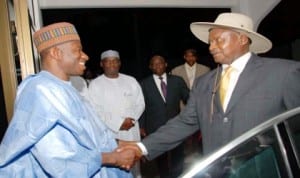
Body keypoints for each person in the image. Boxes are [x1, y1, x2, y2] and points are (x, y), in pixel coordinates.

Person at [119, 12, 300, 174]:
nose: (211, 47)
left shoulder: (283, 73)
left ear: (242, 39)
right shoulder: (205, 82)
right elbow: (184, 123)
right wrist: (142, 147)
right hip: (218, 171)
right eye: (210, 42)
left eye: (219, 40)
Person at [0, 22, 136, 177]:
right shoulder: (40, 91)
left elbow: (86, 135)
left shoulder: (66, 88)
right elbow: (56, 160)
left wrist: (116, 144)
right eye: (78, 50)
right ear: (56, 53)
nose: (85, 56)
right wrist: (113, 158)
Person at [85, 49, 145, 178]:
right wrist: (118, 123)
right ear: (102, 64)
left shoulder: (131, 81)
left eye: (115, 61)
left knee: (135, 169)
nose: (112, 64)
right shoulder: (95, 85)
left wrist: (132, 119)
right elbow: (95, 111)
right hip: (111, 135)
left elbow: (140, 103)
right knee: (114, 170)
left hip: (131, 132)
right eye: (108, 61)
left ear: (119, 63)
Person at [139, 55, 190, 178]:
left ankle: (178, 175)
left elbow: (189, 99)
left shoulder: (177, 80)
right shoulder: (144, 84)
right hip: (155, 127)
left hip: (176, 125)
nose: (158, 66)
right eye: (154, 64)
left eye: (160, 63)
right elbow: (141, 107)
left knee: (178, 155)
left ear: (166, 64)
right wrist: (141, 126)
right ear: (150, 67)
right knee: (161, 158)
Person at [170, 48, 210, 158]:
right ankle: (187, 155)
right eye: (187, 56)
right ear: (184, 57)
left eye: (192, 56)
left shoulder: (205, 69)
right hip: (183, 107)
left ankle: (199, 154)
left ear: (196, 57)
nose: (190, 58)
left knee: (199, 132)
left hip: (201, 106)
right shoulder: (176, 71)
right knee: (185, 132)